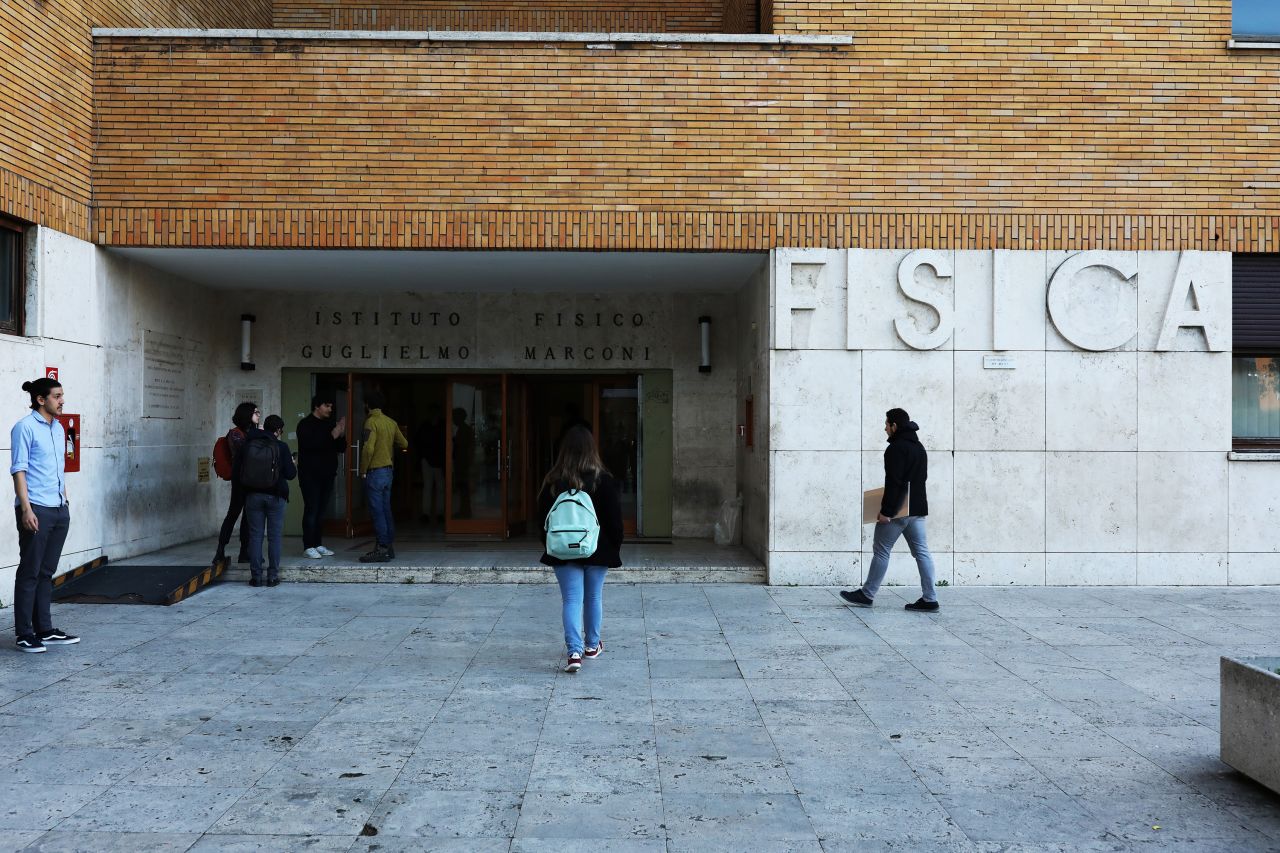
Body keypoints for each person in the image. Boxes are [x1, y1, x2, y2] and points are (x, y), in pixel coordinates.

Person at [537, 426, 623, 673]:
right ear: (592, 450)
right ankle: (592, 646)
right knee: (594, 597)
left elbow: (542, 520)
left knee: (572, 599)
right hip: (598, 548)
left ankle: (574, 652)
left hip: (563, 551)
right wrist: (612, 547)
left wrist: (553, 545)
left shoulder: (552, 481)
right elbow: (614, 521)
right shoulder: (603, 480)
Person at [841, 408, 938, 612]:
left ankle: (867, 594)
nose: (884, 428)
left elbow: (894, 483)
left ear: (895, 426)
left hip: (899, 510)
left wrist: (886, 511)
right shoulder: (919, 447)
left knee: (882, 550)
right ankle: (930, 599)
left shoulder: (895, 448)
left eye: (886, 424)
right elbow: (921, 479)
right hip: (918, 508)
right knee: (922, 552)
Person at [9, 377, 78, 653]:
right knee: (30, 571)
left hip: (59, 508)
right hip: (36, 508)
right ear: (41, 399)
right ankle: (25, 633)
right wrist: (26, 508)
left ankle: (44, 629)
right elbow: (19, 470)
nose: (62, 401)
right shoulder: (24, 428)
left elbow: (58, 469)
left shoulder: (59, 429)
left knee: (46, 572)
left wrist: (65, 500)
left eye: (62, 395)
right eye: (57, 396)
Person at [236, 414, 296, 587]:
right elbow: (291, 475)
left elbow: (239, 471)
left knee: (255, 536)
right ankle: (272, 576)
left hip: (253, 496)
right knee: (274, 537)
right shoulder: (281, 446)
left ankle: (256, 577)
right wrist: (292, 462)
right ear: (277, 430)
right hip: (276, 497)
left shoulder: (248, 445)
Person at [359, 390, 408, 563]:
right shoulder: (391, 422)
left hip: (375, 471)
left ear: (367, 404)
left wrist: (363, 469)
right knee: (386, 509)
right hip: (388, 471)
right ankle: (389, 546)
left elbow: (368, 448)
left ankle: (382, 548)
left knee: (377, 511)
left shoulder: (371, 422)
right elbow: (404, 443)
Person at [296, 395, 346, 559]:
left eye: (331, 406)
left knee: (321, 511)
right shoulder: (305, 424)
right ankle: (308, 545)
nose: (330, 409)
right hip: (310, 475)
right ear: (317, 406)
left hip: (328, 474)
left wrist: (341, 434)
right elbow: (311, 445)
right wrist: (332, 435)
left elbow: (341, 448)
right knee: (312, 509)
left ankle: (317, 543)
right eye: (327, 405)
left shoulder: (330, 424)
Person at [213, 401, 259, 567]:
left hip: (252, 480)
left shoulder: (252, 433)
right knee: (233, 514)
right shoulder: (236, 434)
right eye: (255, 412)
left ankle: (244, 551)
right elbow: (246, 452)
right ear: (247, 415)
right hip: (240, 481)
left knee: (248, 517)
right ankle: (220, 550)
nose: (258, 415)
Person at [415, 406, 446, 526]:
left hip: (436, 460)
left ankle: (437, 513)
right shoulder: (427, 426)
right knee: (431, 487)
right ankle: (428, 513)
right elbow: (418, 441)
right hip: (429, 460)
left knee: (438, 488)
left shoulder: (433, 425)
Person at [450, 407, 474, 519]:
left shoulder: (464, 430)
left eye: (455, 417)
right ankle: (464, 511)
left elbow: (465, 447)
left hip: (463, 463)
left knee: (463, 489)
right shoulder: (462, 429)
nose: (453, 419)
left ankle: (465, 512)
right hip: (461, 463)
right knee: (463, 489)